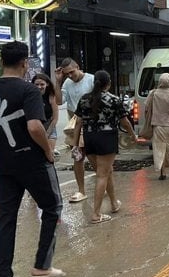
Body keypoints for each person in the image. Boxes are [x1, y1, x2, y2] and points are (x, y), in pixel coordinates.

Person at [0, 41, 65, 277]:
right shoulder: (28, 90)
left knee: (6, 218)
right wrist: (47, 151)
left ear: (2, 62)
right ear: (24, 63)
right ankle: (42, 266)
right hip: (31, 162)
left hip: (2, 165)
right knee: (52, 206)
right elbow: (35, 127)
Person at [72, 70, 138, 223]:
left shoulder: (84, 99)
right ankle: (96, 214)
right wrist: (132, 135)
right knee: (102, 174)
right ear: (108, 83)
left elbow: (78, 123)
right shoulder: (113, 100)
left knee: (106, 171)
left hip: (89, 138)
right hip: (106, 138)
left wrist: (75, 144)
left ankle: (114, 203)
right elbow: (125, 122)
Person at [55, 58, 94, 203]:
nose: (70, 76)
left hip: (91, 123)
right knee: (77, 156)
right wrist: (58, 82)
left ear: (77, 67)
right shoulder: (66, 83)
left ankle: (105, 186)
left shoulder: (91, 79)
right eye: (67, 74)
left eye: (71, 72)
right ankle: (81, 190)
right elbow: (59, 101)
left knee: (95, 158)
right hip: (75, 125)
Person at [32, 73, 59, 154]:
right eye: (36, 84)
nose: (39, 87)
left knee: (49, 153)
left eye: (42, 84)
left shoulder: (51, 97)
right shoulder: (30, 97)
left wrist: (47, 134)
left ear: (47, 84)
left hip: (49, 126)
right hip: (35, 126)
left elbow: (55, 118)